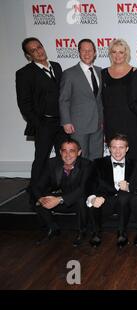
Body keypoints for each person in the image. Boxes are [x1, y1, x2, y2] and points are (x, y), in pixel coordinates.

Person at [15, 37, 67, 191]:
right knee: (41, 158)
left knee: (63, 157)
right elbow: (24, 104)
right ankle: (35, 189)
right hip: (43, 124)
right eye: (33, 50)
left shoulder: (56, 67)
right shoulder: (24, 73)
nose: (39, 51)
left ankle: (58, 186)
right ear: (28, 55)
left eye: (39, 47)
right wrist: (39, 124)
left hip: (62, 123)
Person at [31, 138, 91, 246]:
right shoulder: (52, 163)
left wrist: (59, 200)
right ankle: (52, 228)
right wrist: (42, 199)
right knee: (38, 199)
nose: (67, 155)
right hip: (60, 196)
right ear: (60, 152)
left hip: (77, 199)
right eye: (64, 150)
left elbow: (83, 189)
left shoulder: (87, 165)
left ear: (79, 152)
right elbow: (37, 186)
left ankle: (82, 232)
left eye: (72, 151)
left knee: (82, 199)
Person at [86, 134, 134, 248]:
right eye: (114, 147)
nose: (117, 151)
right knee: (94, 200)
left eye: (121, 147)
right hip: (105, 200)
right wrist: (93, 198)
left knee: (124, 196)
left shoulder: (134, 164)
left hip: (126, 202)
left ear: (127, 149)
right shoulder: (98, 163)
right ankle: (96, 233)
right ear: (109, 149)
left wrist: (128, 187)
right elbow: (89, 184)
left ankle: (122, 233)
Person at [59, 38, 103, 160]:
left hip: (98, 124)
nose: (87, 53)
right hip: (78, 125)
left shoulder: (100, 72)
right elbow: (64, 99)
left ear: (95, 53)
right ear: (79, 53)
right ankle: (80, 180)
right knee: (79, 158)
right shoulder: (69, 73)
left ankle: (94, 179)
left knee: (97, 157)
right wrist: (66, 121)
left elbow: (100, 100)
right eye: (83, 50)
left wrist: (103, 120)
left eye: (90, 50)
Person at [101, 39, 137, 160]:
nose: (117, 55)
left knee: (133, 154)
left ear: (126, 54)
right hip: (111, 121)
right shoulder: (103, 73)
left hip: (131, 121)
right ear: (110, 54)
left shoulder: (136, 72)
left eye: (121, 52)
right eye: (114, 52)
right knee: (115, 154)